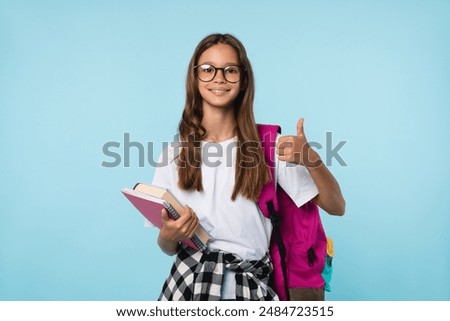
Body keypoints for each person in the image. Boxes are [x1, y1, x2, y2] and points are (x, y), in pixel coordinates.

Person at [151, 33, 345, 301]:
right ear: (195, 79)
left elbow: (336, 206)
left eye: (230, 70)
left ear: (243, 80)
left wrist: (311, 158)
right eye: (208, 70)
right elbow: (167, 247)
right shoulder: (173, 155)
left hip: (249, 290)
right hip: (186, 288)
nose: (219, 77)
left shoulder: (271, 147)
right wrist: (168, 235)